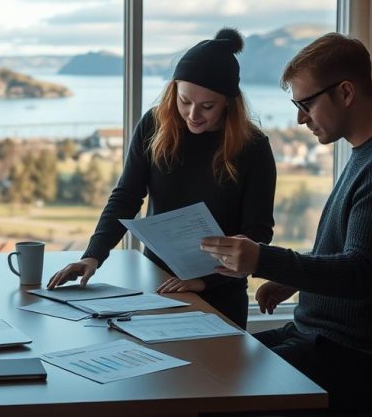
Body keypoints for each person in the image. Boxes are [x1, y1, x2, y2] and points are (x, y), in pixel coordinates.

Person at [199, 32, 372, 417]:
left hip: (350, 362)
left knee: (197, 398)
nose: (299, 118)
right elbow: (354, 250)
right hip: (319, 339)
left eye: (305, 104)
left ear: (345, 92)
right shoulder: (370, 153)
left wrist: (262, 259)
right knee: (202, 368)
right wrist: (290, 279)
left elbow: (361, 273)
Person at [46, 28, 277, 330]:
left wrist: (205, 282)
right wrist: (92, 257)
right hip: (157, 282)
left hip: (220, 293)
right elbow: (126, 197)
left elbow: (257, 233)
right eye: (185, 101)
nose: (193, 114)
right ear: (173, 91)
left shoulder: (253, 146)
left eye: (207, 106)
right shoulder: (154, 125)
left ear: (228, 102)